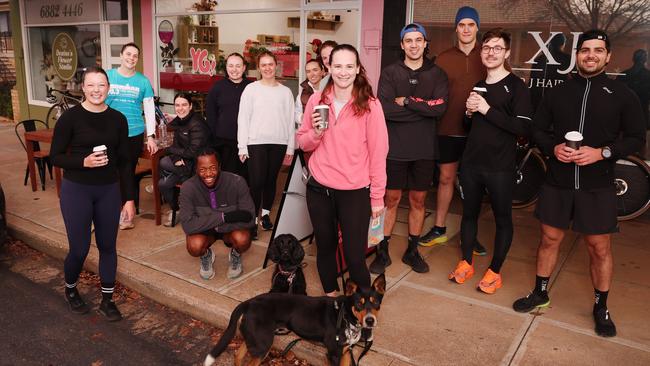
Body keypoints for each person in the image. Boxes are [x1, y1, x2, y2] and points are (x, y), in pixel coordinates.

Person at [513, 30, 646, 337]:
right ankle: (540, 293)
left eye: (598, 50)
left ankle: (601, 307)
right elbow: (538, 129)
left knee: (599, 247)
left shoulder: (623, 95)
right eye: (585, 49)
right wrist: (552, 148)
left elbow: (637, 137)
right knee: (549, 239)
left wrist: (604, 152)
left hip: (597, 184)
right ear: (577, 55)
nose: (591, 55)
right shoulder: (558, 92)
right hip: (558, 181)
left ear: (608, 56)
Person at [297, 44, 389, 295]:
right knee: (325, 248)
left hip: (354, 190)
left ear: (358, 68)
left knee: (354, 255)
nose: (343, 72)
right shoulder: (317, 100)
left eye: (350, 66)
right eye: (338, 66)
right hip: (319, 188)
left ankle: (364, 307)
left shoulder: (371, 105)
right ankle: (332, 300)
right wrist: (316, 133)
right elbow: (302, 141)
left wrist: (377, 196)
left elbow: (379, 153)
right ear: (329, 67)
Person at [449, 28, 533, 294]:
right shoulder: (478, 85)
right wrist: (469, 111)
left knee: (502, 219)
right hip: (472, 164)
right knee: (469, 215)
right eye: (486, 47)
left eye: (497, 48)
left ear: (507, 53)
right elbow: (468, 125)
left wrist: (486, 109)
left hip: (500, 167)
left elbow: (522, 128)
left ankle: (495, 271)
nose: (491, 52)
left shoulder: (517, 87)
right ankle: (466, 263)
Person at [50, 66, 135, 321]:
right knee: (79, 248)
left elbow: (124, 162)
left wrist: (128, 198)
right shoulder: (70, 118)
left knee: (108, 246)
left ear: (109, 88)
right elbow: (55, 156)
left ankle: (107, 300)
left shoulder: (118, 119)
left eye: (101, 85)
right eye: (91, 85)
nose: (97, 90)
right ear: (83, 88)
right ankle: (71, 289)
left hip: (108, 190)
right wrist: (83, 162)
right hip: (77, 190)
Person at [371, 23, 448, 274]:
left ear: (426, 44)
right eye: (409, 41)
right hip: (394, 149)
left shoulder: (437, 74)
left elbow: (439, 109)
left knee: (418, 200)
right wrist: (422, 110)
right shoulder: (390, 73)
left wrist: (407, 102)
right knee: (390, 200)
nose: (414, 45)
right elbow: (384, 110)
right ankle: (382, 251)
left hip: (424, 150)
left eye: (419, 40)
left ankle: (412, 251)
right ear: (402, 45)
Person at [420, 6, 487, 256]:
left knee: (473, 186)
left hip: (478, 132)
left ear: (477, 27)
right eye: (462, 25)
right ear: (456, 28)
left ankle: (471, 234)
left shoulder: (488, 55)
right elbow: (430, 93)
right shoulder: (444, 58)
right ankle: (439, 228)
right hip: (448, 129)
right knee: (446, 179)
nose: (466, 29)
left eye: (471, 24)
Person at [237, 51, 295, 237]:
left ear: (276, 65)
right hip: (256, 142)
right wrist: (242, 146)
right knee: (257, 181)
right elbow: (243, 119)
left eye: (271, 64)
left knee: (271, 181)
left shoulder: (285, 92)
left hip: (279, 142)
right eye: (264, 65)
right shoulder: (251, 90)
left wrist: (290, 147)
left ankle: (266, 215)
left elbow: (290, 121)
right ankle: (252, 220)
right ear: (258, 68)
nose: (268, 68)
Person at [179, 148, 255, 280]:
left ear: (220, 166)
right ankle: (206, 255)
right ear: (196, 169)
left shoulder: (237, 182)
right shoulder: (188, 187)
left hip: (224, 230)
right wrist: (224, 217)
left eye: (213, 168)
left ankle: (236, 254)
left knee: (243, 239)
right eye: (202, 169)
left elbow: (249, 218)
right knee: (194, 246)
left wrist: (215, 225)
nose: (208, 174)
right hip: (207, 232)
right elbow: (188, 226)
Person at [105, 42, 158, 230]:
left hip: (133, 133)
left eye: (135, 55)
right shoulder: (108, 76)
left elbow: (150, 110)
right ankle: (110, 209)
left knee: (126, 171)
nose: (131, 58)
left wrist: (150, 136)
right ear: (121, 55)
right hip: (108, 133)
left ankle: (126, 214)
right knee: (109, 172)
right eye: (128, 54)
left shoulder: (143, 81)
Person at [159, 93, 211, 226]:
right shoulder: (180, 121)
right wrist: (176, 157)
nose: (180, 108)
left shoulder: (197, 123)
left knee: (164, 162)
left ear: (191, 106)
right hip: (185, 165)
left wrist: (171, 151)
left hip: (198, 166)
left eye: (184, 105)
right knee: (163, 184)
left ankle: (186, 202)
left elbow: (193, 152)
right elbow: (176, 143)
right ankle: (176, 209)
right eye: (177, 105)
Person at [206, 53, 253, 177]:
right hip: (224, 142)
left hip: (248, 141)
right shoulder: (217, 88)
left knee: (247, 177)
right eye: (231, 66)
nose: (234, 69)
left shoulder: (252, 87)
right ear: (226, 68)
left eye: (238, 66)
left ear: (244, 68)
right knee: (227, 177)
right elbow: (211, 115)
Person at [619, 49, 650, 129]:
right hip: (643, 115)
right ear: (645, 60)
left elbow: (617, 95)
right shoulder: (648, 75)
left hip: (626, 116)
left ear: (633, 59)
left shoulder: (623, 74)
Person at [295, 58, 326, 130]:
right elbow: (296, 113)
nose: (312, 74)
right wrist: (303, 118)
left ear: (322, 71)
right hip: (310, 135)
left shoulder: (331, 90)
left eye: (315, 70)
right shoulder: (302, 94)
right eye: (308, 71)